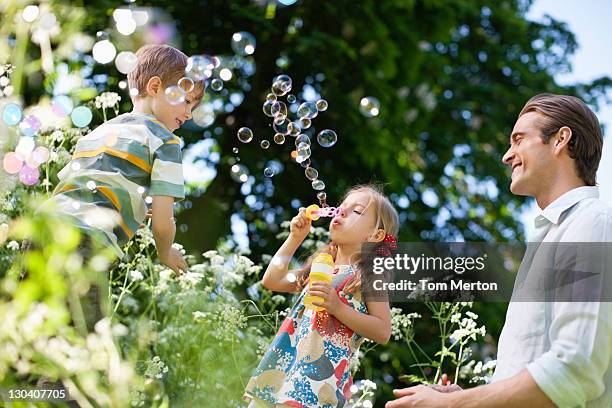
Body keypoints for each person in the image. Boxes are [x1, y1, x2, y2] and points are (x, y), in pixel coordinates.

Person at [386, 94, 612, 407]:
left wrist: (454, 405)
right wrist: (470, 397)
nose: (507, 155)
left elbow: (575, 368)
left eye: (519, 139)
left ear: (561, 139)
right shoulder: (551, 235)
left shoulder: (591, 223)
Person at [40, 44, 203, 274]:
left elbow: (78, 182)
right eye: (187, 102)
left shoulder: (101, 131)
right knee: (83, 310)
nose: (189, 115)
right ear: (155, 86)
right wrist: (165, 251)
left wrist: (132, 203)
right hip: (89, 237)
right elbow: (163, 223)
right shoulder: (166, 142)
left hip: (45, 223)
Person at [243, 184, 399, 407]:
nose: (341, 211)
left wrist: (338, 307)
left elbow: (383, 331)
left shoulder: (367, 276)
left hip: (317, 385)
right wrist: (295, 238)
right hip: (282, 373)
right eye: (342, 206)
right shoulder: (320, 266)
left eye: (356, 211)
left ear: (375, 234)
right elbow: (272, 280)